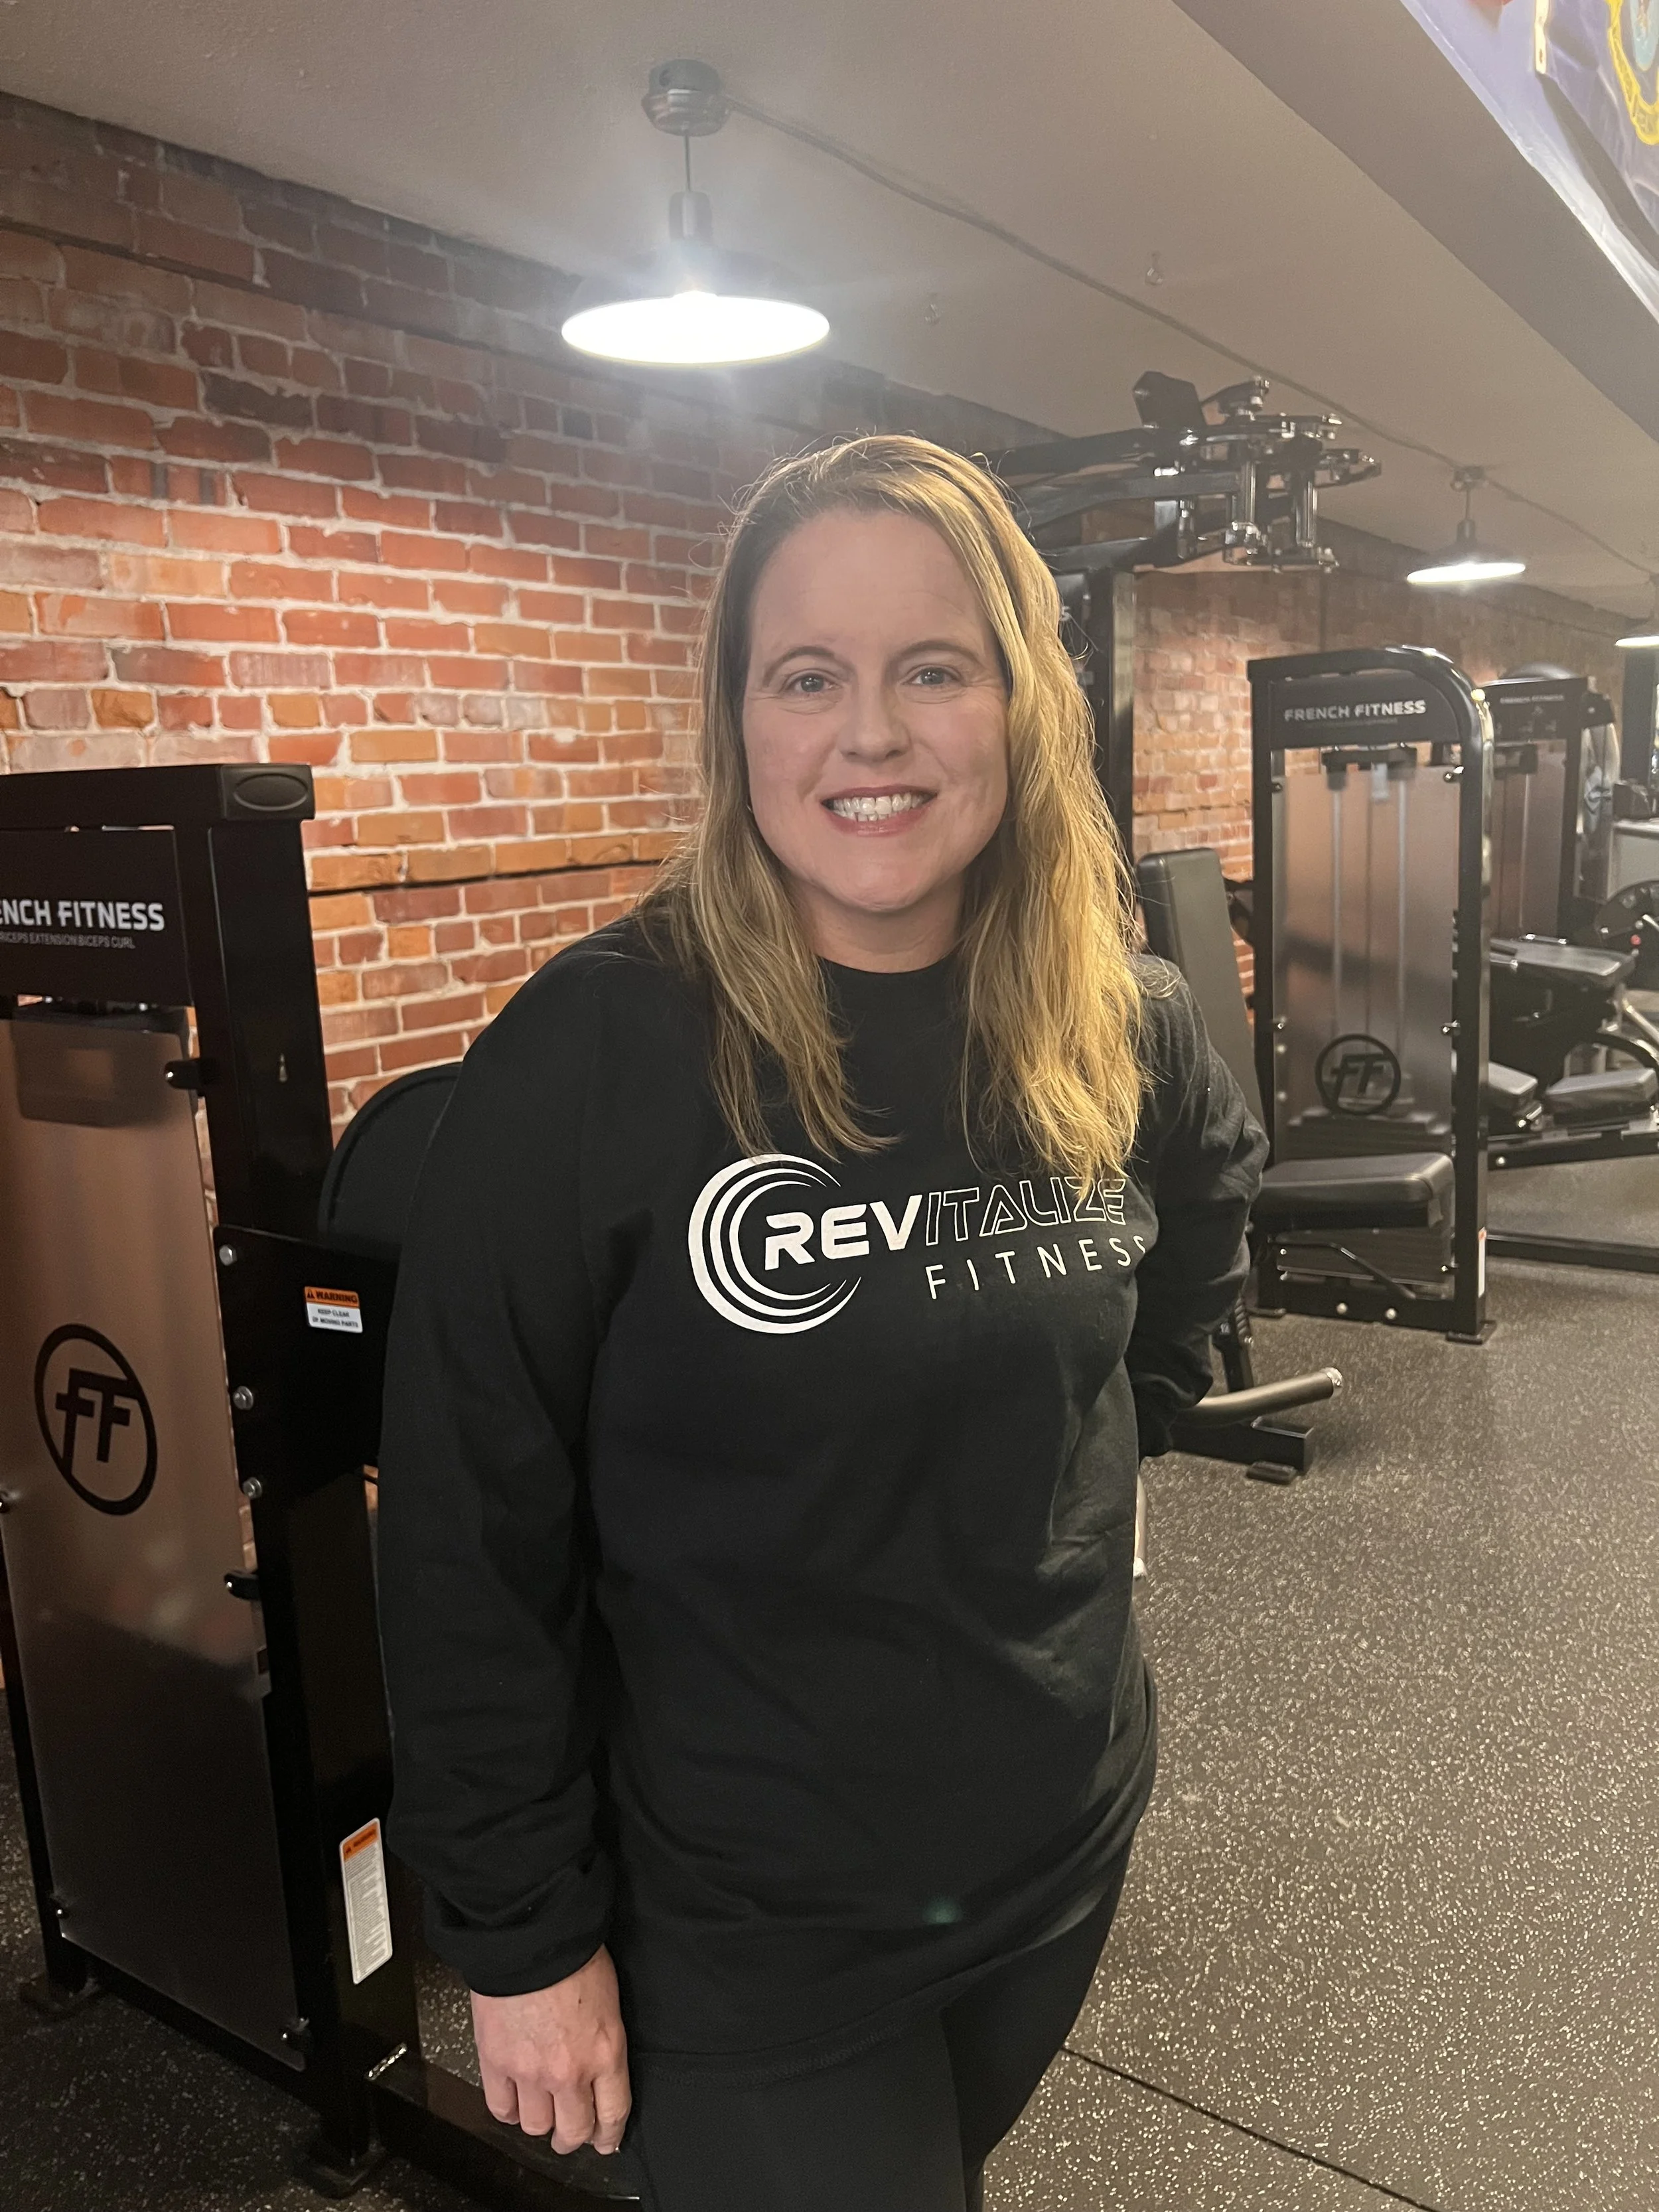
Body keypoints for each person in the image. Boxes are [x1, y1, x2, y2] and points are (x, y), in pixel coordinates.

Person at [376, 433, 1264, 2212]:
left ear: (1017, 703)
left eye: (931, 667)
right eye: (810, 676)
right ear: (741, 724)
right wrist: (521, 1933)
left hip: (1049, 1847)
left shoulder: (1120, 1017)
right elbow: (472, 1534)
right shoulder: (592, 1058)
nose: (871, 730)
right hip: (742, 1926)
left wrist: (1109, 1434)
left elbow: (1200, 1231)